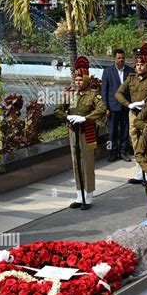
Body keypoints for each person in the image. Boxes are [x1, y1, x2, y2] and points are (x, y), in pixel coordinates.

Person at [54, 56, 106, 209]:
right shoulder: (71, 95)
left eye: (80, 80)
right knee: (76, 161)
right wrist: (68, 116)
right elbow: (57, 110)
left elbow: (102, 109)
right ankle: (79, 194)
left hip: (87, 131)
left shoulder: (93, 95)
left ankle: (88, 195)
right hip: (73, 132)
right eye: (76, 80)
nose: (78, 83)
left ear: (86, 80)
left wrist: (85, 118)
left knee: (87, 163)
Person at [115, 44, 147, 184]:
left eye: (142, 64)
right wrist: (128, 104)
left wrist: (145, 101)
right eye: (137, 64)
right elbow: (118, 93)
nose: (139, 67)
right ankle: (139, 173)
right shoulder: (131, 78)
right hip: (133, 112)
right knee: (135, 141)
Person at [101, 49, 135, 162]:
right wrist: (106, 107)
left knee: (125, 131)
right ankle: (112, 153)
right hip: (112, 106)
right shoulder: (107, 71)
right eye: (119, 58)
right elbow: (104, 91)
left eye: (123, 58)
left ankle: (123, 152)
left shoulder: (130, 71)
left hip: (126, 106)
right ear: (114, 58)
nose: (121, 60)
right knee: (112, 132)